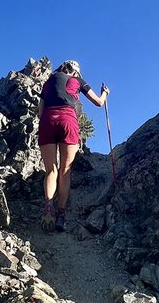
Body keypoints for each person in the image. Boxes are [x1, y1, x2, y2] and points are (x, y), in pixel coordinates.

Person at [37, 60, 109, 231]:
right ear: (75, 72)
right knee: (65, 170)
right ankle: (61, 215)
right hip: (68, 120)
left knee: (51, 170)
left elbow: (40, 112)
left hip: (47, 121)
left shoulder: (48, 82)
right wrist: (105, 93)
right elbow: (98, 102)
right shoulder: (78, 80)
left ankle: (48, 206)